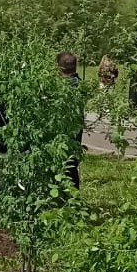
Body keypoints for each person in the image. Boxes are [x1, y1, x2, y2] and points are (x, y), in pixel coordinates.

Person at [57, 51, 83, 192]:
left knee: (66, 166)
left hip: (62, 137)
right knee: (72, 166)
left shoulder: (63, 87)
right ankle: (74, 201)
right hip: (75, 136)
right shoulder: (79, 84)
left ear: (60, 67)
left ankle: (69, 201)